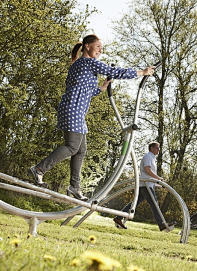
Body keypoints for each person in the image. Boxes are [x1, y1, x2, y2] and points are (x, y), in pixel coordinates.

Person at [28, 34, 155, 200]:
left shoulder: (78, 64)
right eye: (98, 48)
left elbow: (83, 90)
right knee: (73, 147)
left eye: (101, 49)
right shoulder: (88, 62)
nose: (100, 51)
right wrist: (142, 72)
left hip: (74, 110)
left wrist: (101, 88)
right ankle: (39, 169)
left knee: (80, 150)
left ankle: (75, 187)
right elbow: (114, 71)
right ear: (87, 46)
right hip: (73, 110)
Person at [113, 142, 175, 232]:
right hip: (146, 186)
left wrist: (160, 184)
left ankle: (119, 217)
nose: (158, 150)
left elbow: (148, 175)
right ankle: (161, 224)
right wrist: (159, 179)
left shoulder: (152, 158)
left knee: (134, 204)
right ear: (152, 148)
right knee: (154, 204)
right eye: (157, 148)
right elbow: (147, 170)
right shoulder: (148, 157)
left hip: (145, 185)